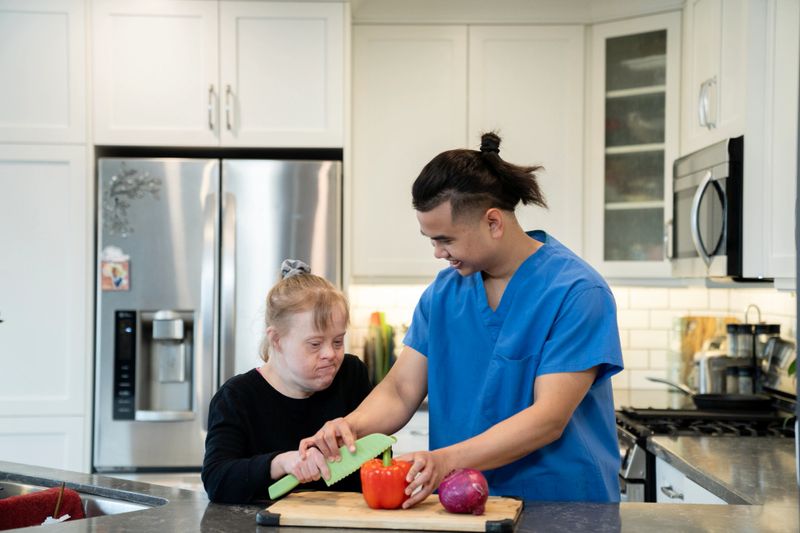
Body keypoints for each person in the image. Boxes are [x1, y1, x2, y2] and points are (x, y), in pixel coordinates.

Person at [300, 132, 624, 506]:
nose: (438, 252)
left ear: (493, 223)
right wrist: (349, 427)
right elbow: (401, 390)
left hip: (561, 509)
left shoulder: (577, 293)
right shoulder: (442, 295)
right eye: (431, 240)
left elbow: (548, 418)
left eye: (446, 239)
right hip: (463, 508)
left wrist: (444, 460)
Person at [202, 259, 372, 503]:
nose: (330, 354)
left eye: (338, 341)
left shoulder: (352, 374)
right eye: (315, 344)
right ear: (277, 339)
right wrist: (281, 462)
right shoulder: (237, 396)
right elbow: (217, 480)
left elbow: (374, 457)